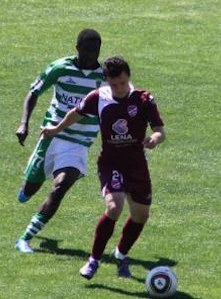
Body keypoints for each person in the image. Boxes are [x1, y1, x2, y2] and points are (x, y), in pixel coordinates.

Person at [41, 55, 166, 279]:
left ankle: (120, 255)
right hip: (111, 163)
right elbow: (75, 114)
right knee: (114, 206)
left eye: (123, 83)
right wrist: (56, 129)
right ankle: (94, 260)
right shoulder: (99, 97)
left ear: (129, 77)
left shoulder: (144, 99)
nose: (119, 88)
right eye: (114, 84)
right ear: (106, 80)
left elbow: (159, 130)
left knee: (141, 215)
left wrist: (154, 139)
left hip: (137, 164)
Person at [14, 29, 105, 254]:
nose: (91, 55)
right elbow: (33, 93)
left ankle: (25, 238)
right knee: (28, 191)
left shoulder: (105, 77)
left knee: (61, 186)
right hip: (52, 136)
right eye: (87, 50)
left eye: (95, 51)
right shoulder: (59, 68)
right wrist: (24, 124)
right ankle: (29, 187)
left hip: (79, 143)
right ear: (77, 48)